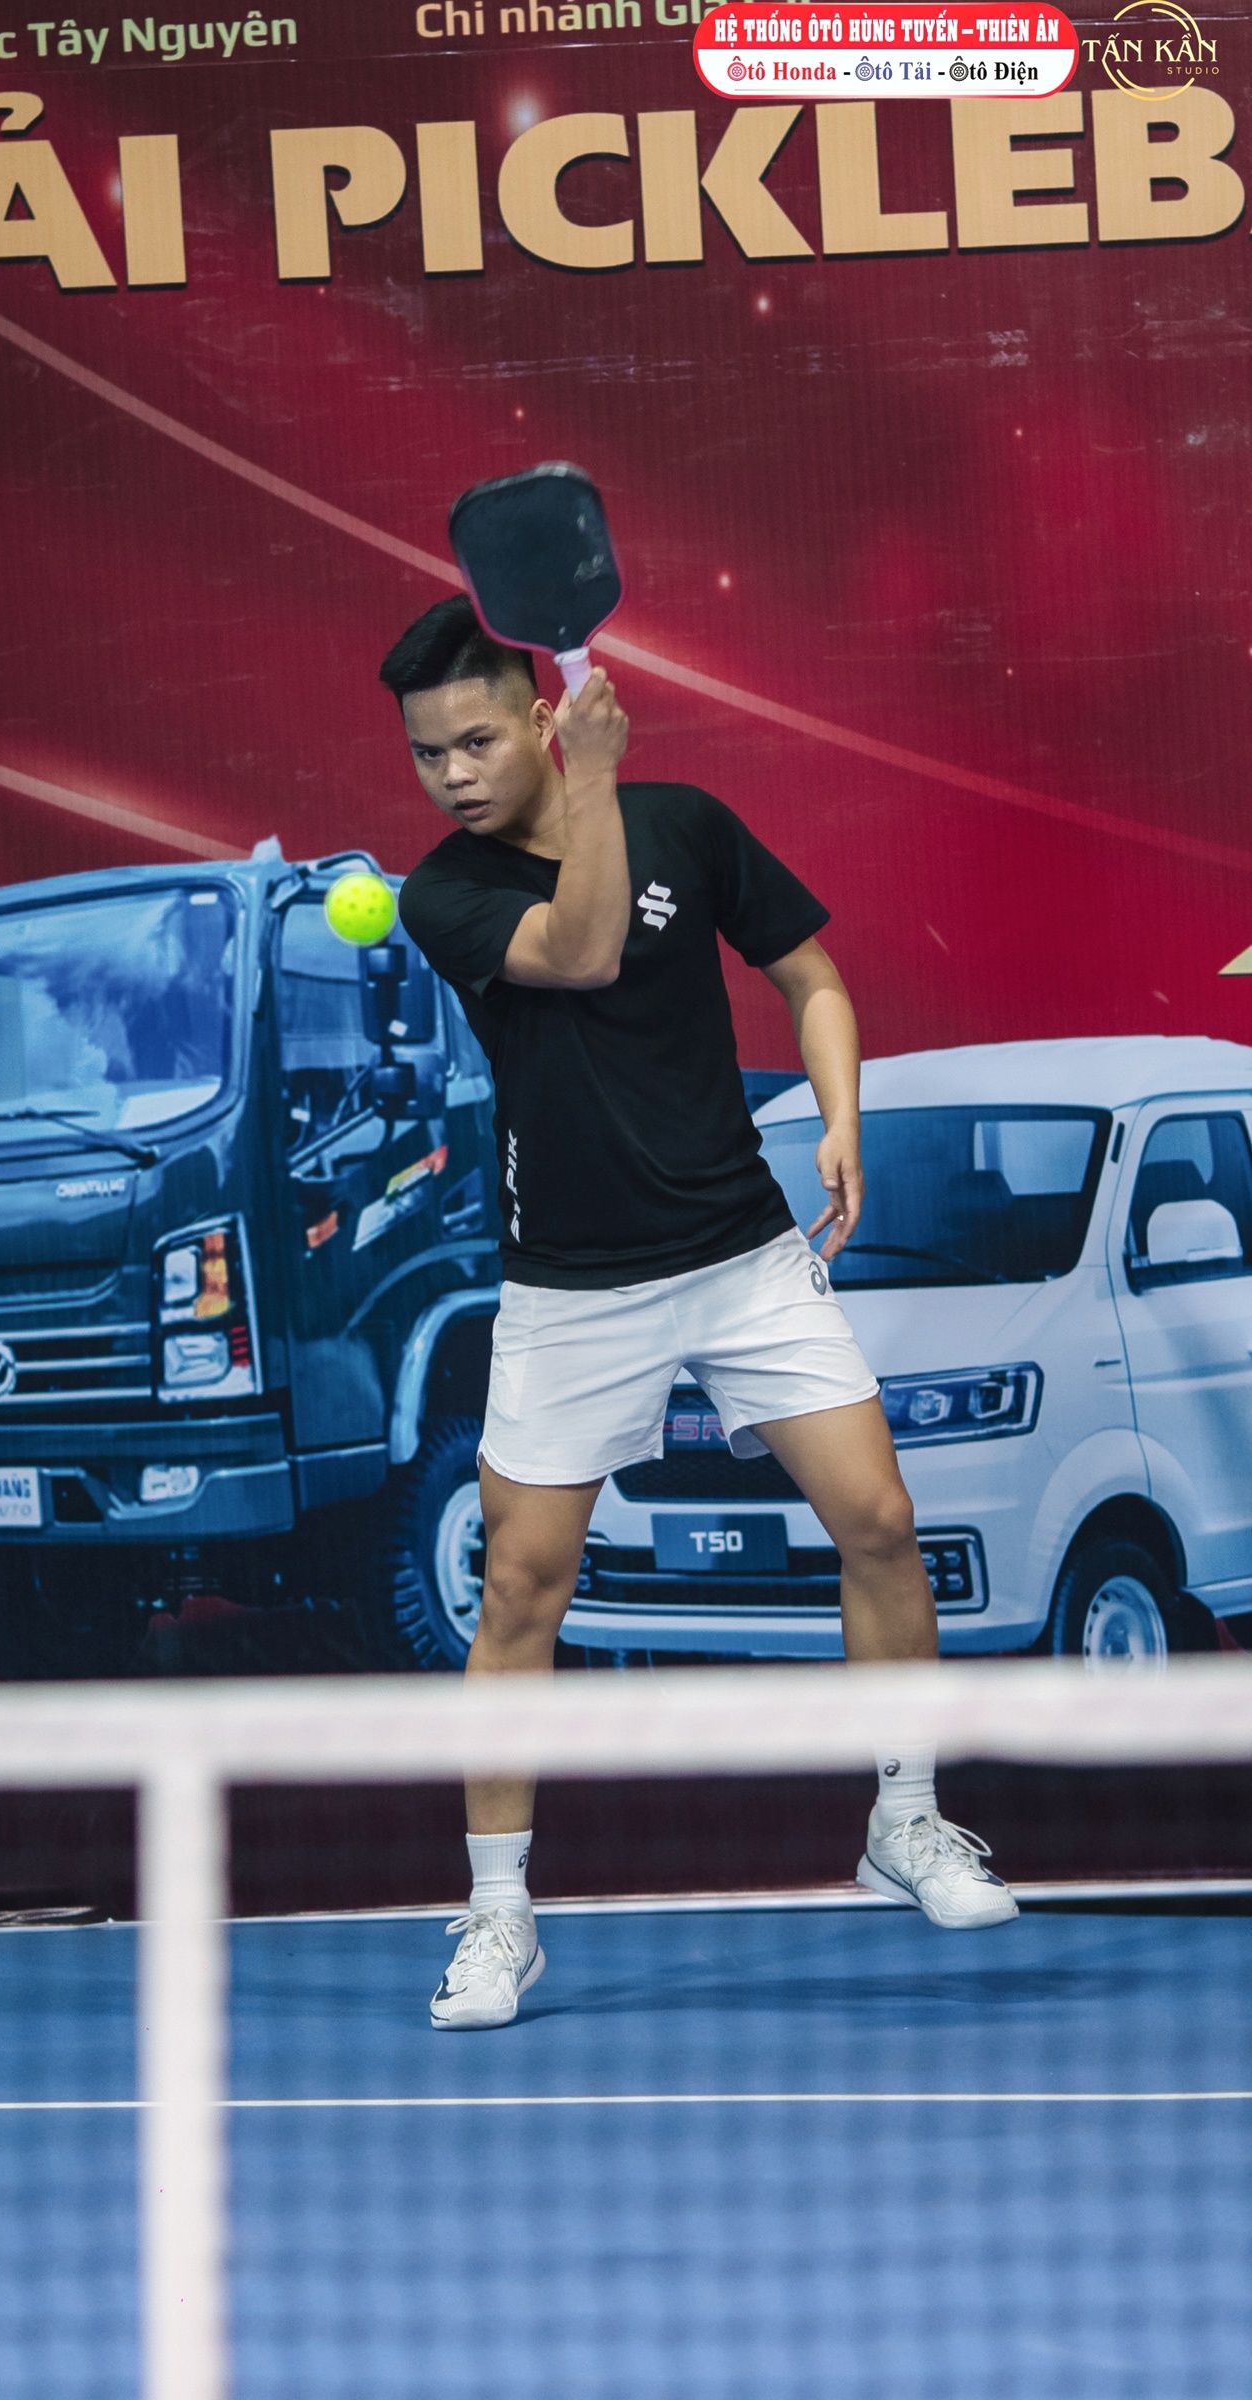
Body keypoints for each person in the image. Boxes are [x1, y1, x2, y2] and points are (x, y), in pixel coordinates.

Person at [384, 593, 1018, 2034]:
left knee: (881, 1520)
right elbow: (585, 949)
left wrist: (840, 1117)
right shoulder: (447, 892)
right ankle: (499, 1912)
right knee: (519, 1590)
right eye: (428, 755)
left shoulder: (690, 825)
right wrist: (596, 777)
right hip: (571, 1284)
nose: (454, 775)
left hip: (740, 1254)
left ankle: (904, 1820)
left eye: (477, 740)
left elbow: (812, 975)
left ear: (539, 716)